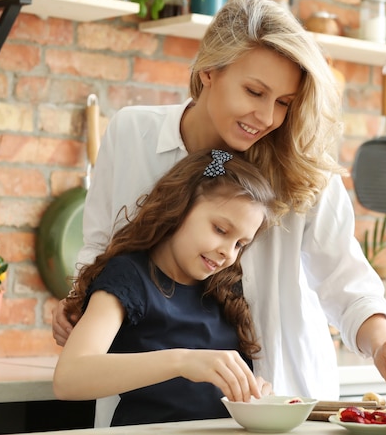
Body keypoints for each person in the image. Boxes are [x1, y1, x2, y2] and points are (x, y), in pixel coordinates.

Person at [52, 0, 386, 421]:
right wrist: (79, 303)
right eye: (254, 91)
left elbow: (346, 282)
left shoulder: (302, 168)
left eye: (285, 102)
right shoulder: (131, 133)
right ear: (209, 71)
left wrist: (384, 343)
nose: (268, 116)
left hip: (282, 398)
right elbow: (100, 250)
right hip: (153, 413)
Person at [53, 148, 277, 426]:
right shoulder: (129, 276)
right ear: (180, 206)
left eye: (240, 244)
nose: (228, 253)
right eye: (220, 230)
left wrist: (251, 393)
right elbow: (69, 378)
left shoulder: (225, 289)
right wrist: (183, 362)